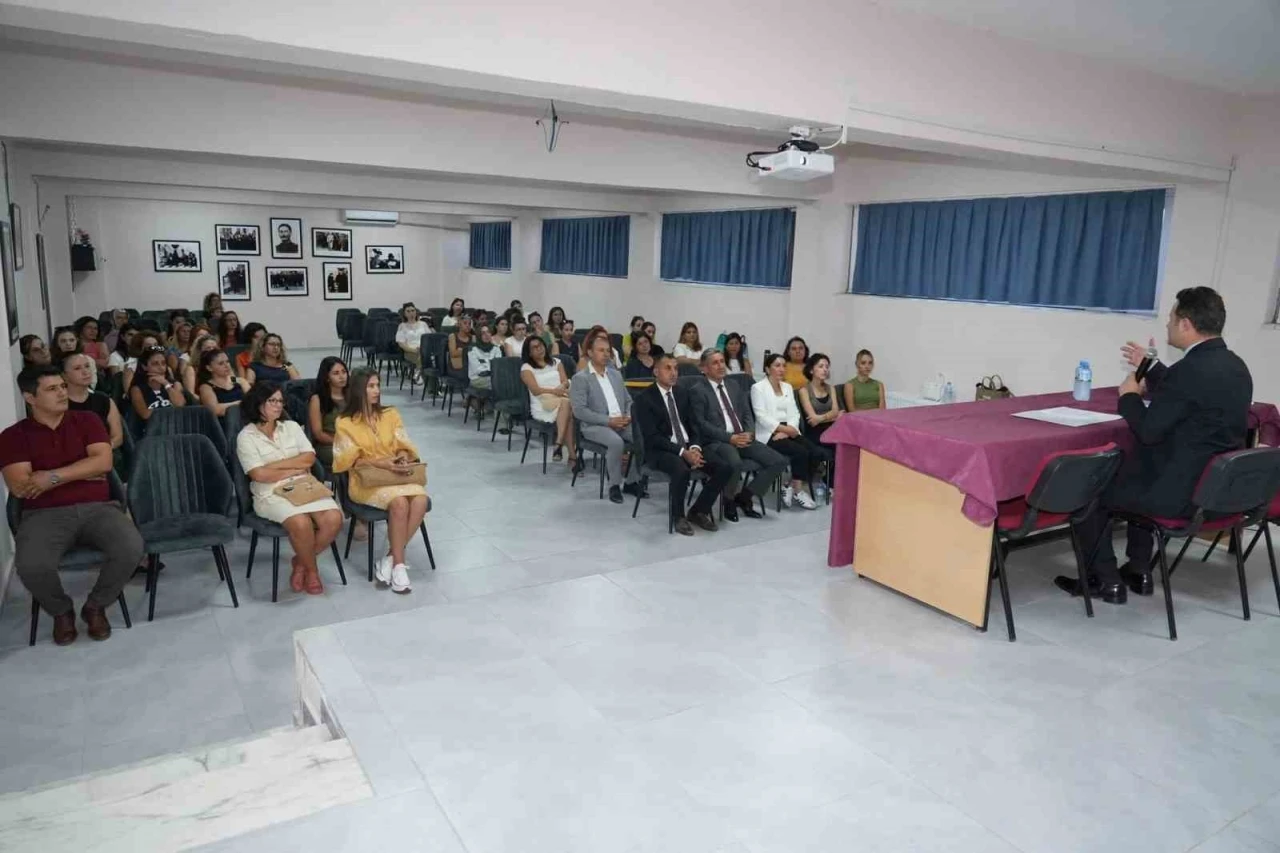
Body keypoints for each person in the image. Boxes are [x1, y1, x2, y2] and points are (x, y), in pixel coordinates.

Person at [1056, 286, 1253, 604]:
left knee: (1088, 486)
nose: (1168, 324)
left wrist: (1129, 396)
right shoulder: (1236, 366)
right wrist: (1152, 367)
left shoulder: (1190, 371)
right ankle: (1139, 570)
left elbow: (1148, 431)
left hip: (1178, 496)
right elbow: (1189, 393)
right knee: (1140, 469)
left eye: (1172, 318)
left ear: (1186, 324)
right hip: (1214, 492)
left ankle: (1104, 580)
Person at [0, 366, 146, 644]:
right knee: (31, 565)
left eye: (63, 387)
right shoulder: (13, 436)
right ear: (30, 398)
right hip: (43, 515)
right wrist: (83, 470)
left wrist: (51, 477)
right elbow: (21, 485)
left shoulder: (88, 420)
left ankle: (95, 606)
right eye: (52, 389)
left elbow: (103, 463)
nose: (62, 393)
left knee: (131, 547)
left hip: (99, 508)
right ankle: (61, 611)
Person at [237, 381, 343, 595]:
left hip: (304, 484)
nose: (279, 405)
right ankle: (312, 572)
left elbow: (309, 458)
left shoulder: (291, 427)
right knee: (301, 524)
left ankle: (301, 562)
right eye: (272, 401)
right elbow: (258, 475)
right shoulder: (246, 437)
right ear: (258, 403)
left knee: (334, 519)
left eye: (280, 401)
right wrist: (292, 469)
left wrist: (274, 466)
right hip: (269, 492)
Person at [332, 369, 429, 595]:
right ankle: (399, 567)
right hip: (366, 480)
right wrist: (382, 463)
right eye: (371, 386)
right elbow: (347, 460)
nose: (376, 390)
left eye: (377, 385)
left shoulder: (390, 414)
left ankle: (390, 558)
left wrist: (402, 456)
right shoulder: (344, 422)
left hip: (396, 475)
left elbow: (404, 444)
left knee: (421, 500)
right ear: (359, 390)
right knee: (400, 503)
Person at [634, 354, 732, 534]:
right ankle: (678, 517)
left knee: (724, 467)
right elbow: (652, 437)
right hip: (661, 450)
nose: (673, 373)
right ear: (656, 372)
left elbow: (694, 425)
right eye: (668, 368)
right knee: (681, 469)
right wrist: (682, 452)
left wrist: (694, 448)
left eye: (676, 368)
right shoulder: (644, 399)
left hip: (688, 446)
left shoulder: (682, 393)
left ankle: (698, 511)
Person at [686, 349, 787, 521]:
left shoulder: (734, 385)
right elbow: (701, 424)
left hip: (742, 436)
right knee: (735, 463)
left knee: (778, 461)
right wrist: (729, 438)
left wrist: (749, 433)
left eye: (722, 361)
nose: (720, 366)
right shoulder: (697, 390)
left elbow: (747, 413)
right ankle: (728, 501)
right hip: (718, 440)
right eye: (715, 363)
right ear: (704, 368)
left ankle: (745, 497)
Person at [570, 333, 642, 504]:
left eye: (608, 351)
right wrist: (608, 421)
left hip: (621, 421)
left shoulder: (616, 375)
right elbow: (579, 411)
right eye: (601, 350)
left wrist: (628, 416)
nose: (605, 354)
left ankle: (632, 482)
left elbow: (628, 401)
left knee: (643, 436)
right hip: (595, 425)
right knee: (616, 442)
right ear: (590, 352)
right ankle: (614, 485)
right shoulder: (580, 378)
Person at [308, 357, 367, 542]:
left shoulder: (353, 396)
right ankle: (356, 514)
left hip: (354, 443)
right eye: (336, 373)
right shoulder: (318, 399)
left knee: (372, 457)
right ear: (327, 377)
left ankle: (370, 503)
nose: (342, 376)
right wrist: (342, 443)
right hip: (328, 444)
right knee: (351, 461)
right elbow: (318, 433)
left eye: (344, 372)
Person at [752, 353, 819, 509]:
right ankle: (798, 491)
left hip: (789, 429)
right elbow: (761, 416)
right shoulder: (758, 388)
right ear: (767, 369)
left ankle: (789, 485)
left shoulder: (787, 387)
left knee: (815, 452)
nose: (781, 369)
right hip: (769, 433)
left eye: (784, 366)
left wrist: (789, 430)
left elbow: (794, 413)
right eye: (777, 365)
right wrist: (781, 429)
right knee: (800, 452)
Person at [521, 336, 576, 466]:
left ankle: (561, 447)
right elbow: (535, 390)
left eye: (541, 345)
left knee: (567, 407)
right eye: (535, 347)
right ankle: (571, 456)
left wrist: (563, 386)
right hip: (542, 404)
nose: (539, 349)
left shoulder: (556, 362)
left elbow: (565, 381)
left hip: (561, 399)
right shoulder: (526, 368)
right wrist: (555, 391)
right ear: (529, 352)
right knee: (568, 411)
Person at [61, 352, 124, 453]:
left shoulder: (104, 400)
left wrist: (101, 450)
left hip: (104, 454)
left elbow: (118, 437)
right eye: (77, 368)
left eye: (87, 366)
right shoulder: (58, 404)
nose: (85, 372)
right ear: (64, 376)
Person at [798, 352, 842, 461]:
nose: (825, 369)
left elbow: (835, 410)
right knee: (838, 446)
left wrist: (820, 418)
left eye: (827, 367)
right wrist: (834, 417)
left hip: (833, 428)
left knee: (848, 443)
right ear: (811, 370)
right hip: (815, 432)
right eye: (821, 366)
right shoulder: (804, 391)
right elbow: (812, 420)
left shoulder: (831, 388)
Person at [128, 345, 186, 426]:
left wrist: (166, 384)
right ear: (144, 367)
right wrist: (170, 411)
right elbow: (145, 415)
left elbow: (180, 405)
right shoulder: (136, 389)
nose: (161, 368)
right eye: (155, 364)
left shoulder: (175, 385)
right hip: (152, 429)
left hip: (175, 427)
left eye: (163, 363)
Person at [197, 349, 250, 418]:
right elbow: (215, 410)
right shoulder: (206, 387)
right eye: (221, 363)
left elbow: (252, 401)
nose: (227, 365)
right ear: (209, 368)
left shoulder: (239, 381)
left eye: (227, 362)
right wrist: (240, 404)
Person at [54, 326, 96, 390]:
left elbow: (92, 384)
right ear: (57, 344)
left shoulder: (88, 360)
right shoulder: (53, 363)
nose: (68, 344)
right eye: (63, 341)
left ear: (77, 341)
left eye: (72, 340)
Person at [396, 303, 430, 377]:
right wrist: (413, 350)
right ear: (404, 314)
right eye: (408, 311)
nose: (411, 313)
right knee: (422, 357)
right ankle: (420, 377)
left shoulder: (423, 324)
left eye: (413, 310)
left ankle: (421, 376)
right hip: (409, 351)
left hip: (424, 350)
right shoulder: (402, 326)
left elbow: (429, 338)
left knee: (427, 357)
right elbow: (401, 344)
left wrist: (423, 349)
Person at [468, 324, 500, 390]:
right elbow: (477, 369)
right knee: (499, 383)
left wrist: (488, 368)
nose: (487, 335)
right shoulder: (472, 350)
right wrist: (490, 370)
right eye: (483, 333)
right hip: (477, 379)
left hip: (493, 377)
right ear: (479, 336)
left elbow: (498, 366)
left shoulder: (496, 349)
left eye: (488, 332)